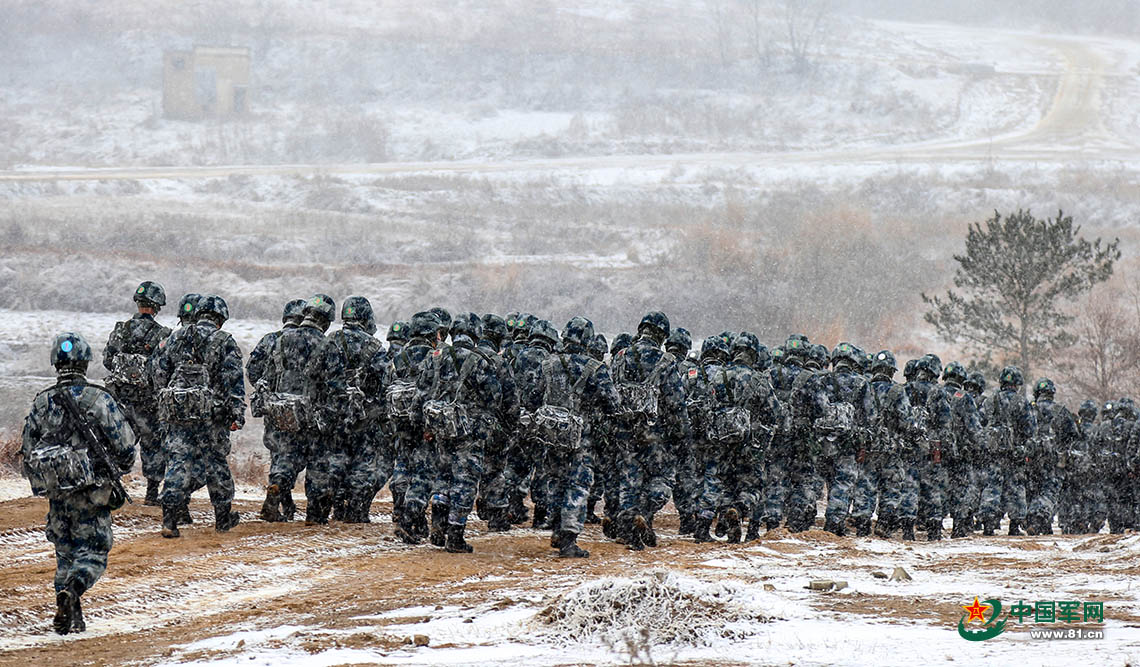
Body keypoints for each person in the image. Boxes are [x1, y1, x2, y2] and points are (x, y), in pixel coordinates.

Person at [22, 332, 135, 635]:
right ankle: (73, 592)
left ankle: (71, 611)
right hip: (92, 491)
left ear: (55, 363)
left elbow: (28, 449)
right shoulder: (99, 398)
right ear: (85, 363)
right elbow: (124, 444)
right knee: (94, 551)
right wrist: (118, 467)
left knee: (65, 551)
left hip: (58, 491)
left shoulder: (42, 401)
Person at [525, 316, 622, 557]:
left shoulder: (547, 363)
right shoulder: (595, 368)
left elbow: (532, 398)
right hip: (581, 437)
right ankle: (568, 539)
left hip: (551, 435)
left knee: (556, 483)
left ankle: (557, 529)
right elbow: (613, 402)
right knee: (578, 485)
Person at [153, 295, 245, 537]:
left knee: (178, 463)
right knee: (215, 464)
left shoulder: (177, 337)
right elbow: (233, 381)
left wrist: (170, 400)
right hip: (212, 416)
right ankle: (223, 518)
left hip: (178, 413)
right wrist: (236, 412)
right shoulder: (224, 341)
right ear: (221, 319)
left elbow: (160, 371)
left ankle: (170, 519)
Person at [609, 312, 690, 550]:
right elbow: (676, 404)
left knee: (630, 480)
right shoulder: (666, 362)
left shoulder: (620, 357)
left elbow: (609, 393)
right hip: (656, 434)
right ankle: (643, 514)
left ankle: (630, 525)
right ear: (663, 336)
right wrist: (682, 435)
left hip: (624, 432)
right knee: (662, 479)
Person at [308, 296, 390, 523]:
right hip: (362, 420)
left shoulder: (329, 341)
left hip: (330, 418)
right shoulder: (375, 347)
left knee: (327, 463)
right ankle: (353, 512)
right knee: (360, 466)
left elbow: (312, 374)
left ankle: (317, 512)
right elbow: (384, 385)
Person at [101, 281, 171, 506]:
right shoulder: (163, 334)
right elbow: (166, 367)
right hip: (148, 402)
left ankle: (110, 487)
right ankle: (151, 493)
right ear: (157, 306)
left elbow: (107, 360)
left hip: (121, 400)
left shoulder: (121, 329)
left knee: (116, 443)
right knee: (153, 445)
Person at [247, 298, 306, 521]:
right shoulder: (307, 341)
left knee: (279, 454)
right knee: (294, 457)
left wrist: (270, 391)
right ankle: (276, 498)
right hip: (299, 410)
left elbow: (253, 371)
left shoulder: (269, 339)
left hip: (274, 409)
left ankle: (286, 503)